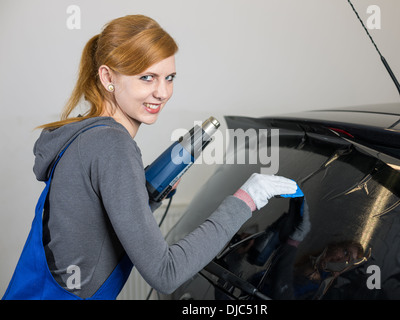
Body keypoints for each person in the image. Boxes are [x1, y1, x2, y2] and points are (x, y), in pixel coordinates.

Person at [2, 14, 297, 300]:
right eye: (147, 77)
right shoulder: (112, 145)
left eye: (169, 77)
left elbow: (90, 229)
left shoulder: (84, 135)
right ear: (107, 77)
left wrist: (148, 196)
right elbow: (166, 273)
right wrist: (248, 198)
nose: (163, 92)